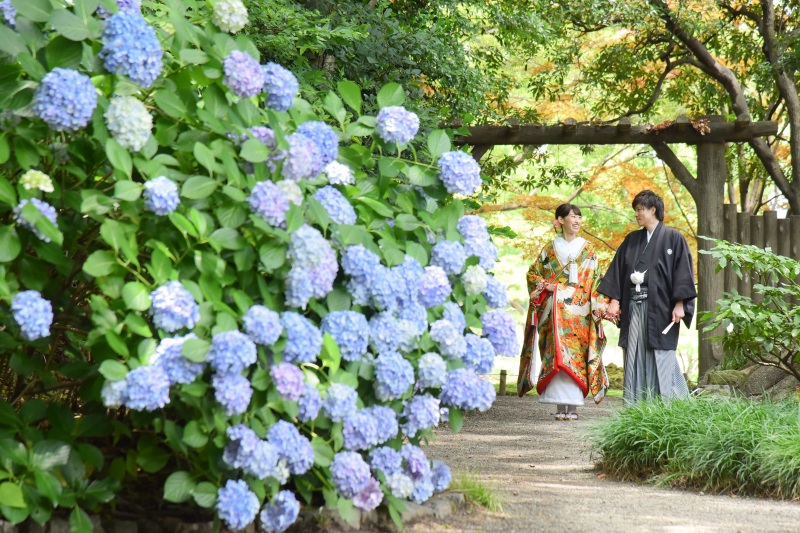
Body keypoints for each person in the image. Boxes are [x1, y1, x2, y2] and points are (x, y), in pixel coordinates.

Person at [597, 190, 696, 404]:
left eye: (640, 209)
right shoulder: (632, 240)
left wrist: (680, 304)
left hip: (661, 307)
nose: (636, 214)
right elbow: (618, 271)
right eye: (635, 210)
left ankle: (668, 404)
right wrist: (614, 301)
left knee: (660, 352)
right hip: (634, 307)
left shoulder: (673, 238)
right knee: (634, 353)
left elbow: (683, 272)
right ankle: (635, 405)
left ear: (653, 210)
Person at [517, 203, 609, 420]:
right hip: (553, 314)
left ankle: (574, 406)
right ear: (560, 220)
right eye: (571, 217)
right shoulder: (549, 249)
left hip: (579, 315)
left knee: (576, 357)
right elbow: (532, 275)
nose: (576, 221)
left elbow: (597, 281)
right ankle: (559, 406)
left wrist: (599, 307)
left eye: (579, 217)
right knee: (555, 353)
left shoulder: (588, 249)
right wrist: (547, 286)